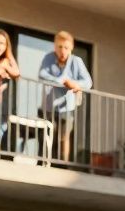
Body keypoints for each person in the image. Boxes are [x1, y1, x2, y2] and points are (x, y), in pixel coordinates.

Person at [39, 31, 93, 163]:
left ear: (71, 48)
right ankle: (43, 162)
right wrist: (62, 81)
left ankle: (62, 164)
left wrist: (74, 84)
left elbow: (88, 82)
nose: (62, 51)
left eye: (66, 48)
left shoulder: (76, 61)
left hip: (67, 107)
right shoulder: (48, 58)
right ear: (55, 46)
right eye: (60, 47)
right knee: (46, 136)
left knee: (64, 137)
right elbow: (42, 75)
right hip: (48, 106)